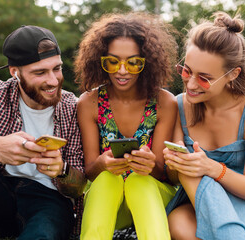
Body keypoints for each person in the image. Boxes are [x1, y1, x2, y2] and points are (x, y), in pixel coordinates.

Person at [0, 25, 86, 240]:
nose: (53, 80)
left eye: (56, 68)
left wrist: (62, 170)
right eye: (40, 72)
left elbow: (78, 188)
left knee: (44, 230)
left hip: (47, 201)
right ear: (15, 73)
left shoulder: (73, 108)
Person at [163, 12, 245, 240]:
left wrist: (212, 168)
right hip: (197, 200)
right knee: (178, 224)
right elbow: (175, 178)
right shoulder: (178, 105)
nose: (191, 84)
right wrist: (175, 164)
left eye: (204, 78)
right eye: (186, 71)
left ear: (233, 74)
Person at [75, 12, 178, 239]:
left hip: (153, 200)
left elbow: (165, 175)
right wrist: (102, 164)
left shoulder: (165, 103)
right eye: (113, 61)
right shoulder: (89, 103)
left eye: (133, 63)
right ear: (100, 60)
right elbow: (90, 171)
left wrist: (150, 166)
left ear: (147, 63)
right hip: (111, 202)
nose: (122, 71)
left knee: (139, 181)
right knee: (106, 179)